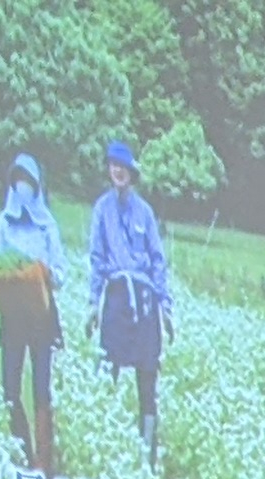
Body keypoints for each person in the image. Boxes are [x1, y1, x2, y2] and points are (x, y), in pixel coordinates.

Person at [87, 139, 172, 453]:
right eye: (113, 166)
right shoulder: (101, 210)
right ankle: (104, 443)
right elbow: (97, 258)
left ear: (131, 173)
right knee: (108, 367)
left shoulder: (145, 213)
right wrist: (92, 304)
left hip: (145, 299)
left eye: (122, 167)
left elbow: (158, 260)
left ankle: (147, 447)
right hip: (118, 295)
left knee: (147, 373)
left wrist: (166, 307)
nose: (117, 171)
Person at [0, 152, 65, 473]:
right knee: (10, 384)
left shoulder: (48, 225)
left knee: (42, 386)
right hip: (13, 313)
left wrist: (44, 273)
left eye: (28, 182)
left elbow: (61, 272)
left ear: (37, 186)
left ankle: (43, 460)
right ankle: (19, 447)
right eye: (18, 181)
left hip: (42, 315)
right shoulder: (4, 222)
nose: (23, 188)